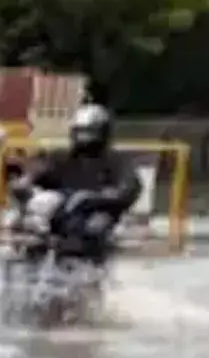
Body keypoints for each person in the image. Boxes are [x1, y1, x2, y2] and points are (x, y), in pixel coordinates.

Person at [21, 103, 137, 251]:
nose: (83, 138)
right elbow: (43, 171)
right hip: (64, 207)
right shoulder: (63, 156)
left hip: (97, 208)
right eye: (80, 132)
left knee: (96, 226)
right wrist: (27, 181)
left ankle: (91, 256)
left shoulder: (116, 160)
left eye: (89, 133)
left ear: (102, 133)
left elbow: (129, 186)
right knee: (34, 211)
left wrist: (103, 196)